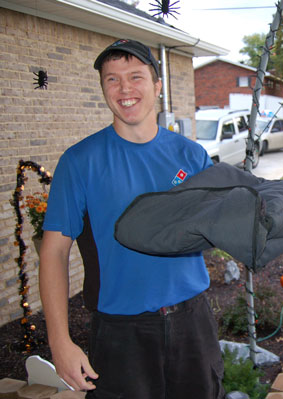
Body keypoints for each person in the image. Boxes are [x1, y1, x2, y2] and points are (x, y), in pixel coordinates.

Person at [39, 39, 224, 398]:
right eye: (112, 79)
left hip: (193, 324)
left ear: (157, 86)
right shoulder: (80, 161)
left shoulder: (193, 155)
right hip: (121, 333)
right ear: (103, 89)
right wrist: (59, 342)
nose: (125, 89)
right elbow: (53, 252)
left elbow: (219, 224)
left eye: (136, 77)